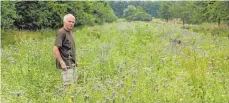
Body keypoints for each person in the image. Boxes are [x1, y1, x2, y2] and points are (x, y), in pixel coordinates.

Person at [53, 14, 77, 88]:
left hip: (72, 63)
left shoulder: (70, 32)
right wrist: (62, 62)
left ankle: (72, 99)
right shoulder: (61, 32)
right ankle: (67, 99)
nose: (71, 23)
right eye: (69, 21)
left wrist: (75, 61)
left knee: (74, 84)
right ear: (64, 22)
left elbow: (70, 48)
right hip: (66, 64)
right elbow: (55, 48)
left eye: (73, 22)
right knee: (68, 86)